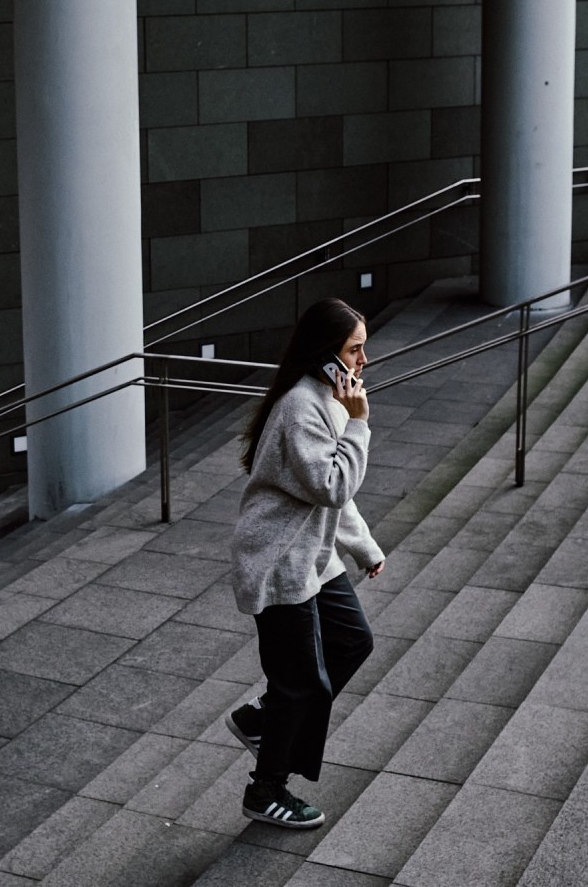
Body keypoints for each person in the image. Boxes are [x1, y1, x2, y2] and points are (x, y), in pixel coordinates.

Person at [225, 297, 386, 829]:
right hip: (279, 564)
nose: (363, 360)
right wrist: (360, 424)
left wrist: (364, 549)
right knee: (303, 685)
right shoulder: (302, 408)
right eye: (354, 349)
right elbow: (332, 484)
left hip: (313, 559)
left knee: (352, 642)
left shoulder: (326, 398)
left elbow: (334, 494)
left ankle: (263, 718)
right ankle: (265, 790)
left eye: (363, 347)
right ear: (326, 354)